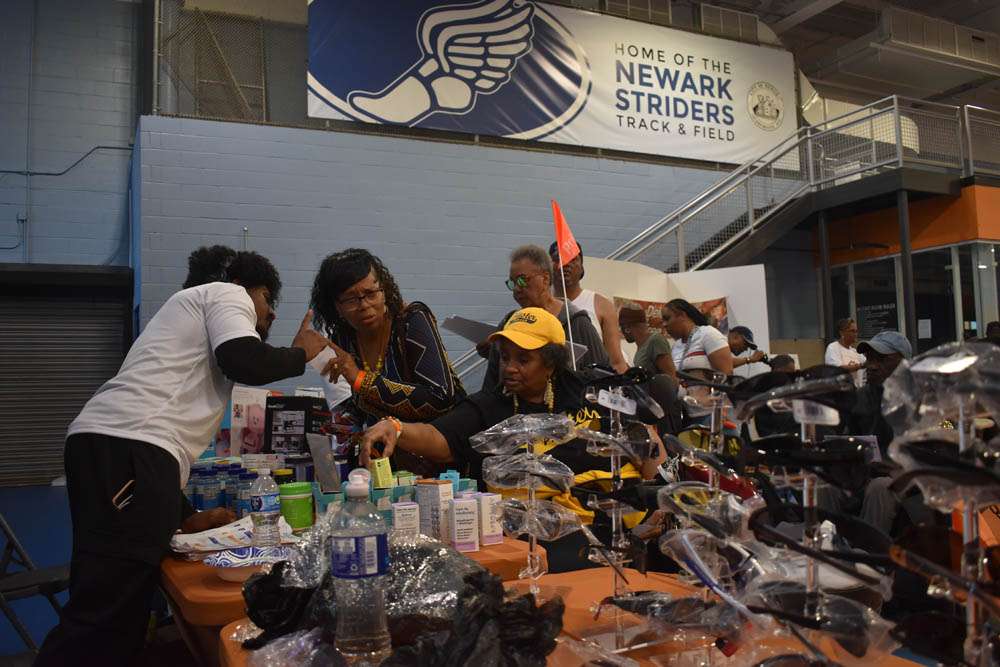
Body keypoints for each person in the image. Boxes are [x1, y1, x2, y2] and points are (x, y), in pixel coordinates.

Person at [36, 246, 330, 665]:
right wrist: (302, 353)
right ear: (243, 286)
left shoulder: (188, 320)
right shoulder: (226, 293)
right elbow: (245, 361)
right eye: (267, 298)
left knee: (120, 606)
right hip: (129, 447)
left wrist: (186, 515)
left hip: (125, 450)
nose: (271, 313)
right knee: (104, 613)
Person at [360, 307, 666, 571]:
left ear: (550, 363)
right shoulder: (489, 406)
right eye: (505, 357)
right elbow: (438, 438)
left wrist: (656, 502)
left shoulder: (590, 390)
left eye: (523, 359)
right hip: (544, 534)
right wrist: (395, 427)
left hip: (618, 520)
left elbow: (645, 439)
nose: (509, 368)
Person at [310, 249, 465, 476]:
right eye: (351, 299)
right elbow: (362, 407)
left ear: (384, 289)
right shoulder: (343, 337)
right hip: (390, 465)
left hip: (441, 462)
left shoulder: (411, 320)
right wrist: (339, 428)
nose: (364, 305)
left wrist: (360, 379)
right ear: (336, 306)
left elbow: (440, 396)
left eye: (371, 293)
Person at [819, 330, 913, 535]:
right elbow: (848, 438)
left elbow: (946, 427)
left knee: (880, 488)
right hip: (867, 473)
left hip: (907, 475)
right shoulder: (861, 397)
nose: (871, 365)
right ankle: (828, 546)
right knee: (827, 485)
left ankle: (869, 550)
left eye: (882, 359)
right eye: (869, 359)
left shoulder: (922, 397)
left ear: (904, 364)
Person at [481, 245, 608, 390]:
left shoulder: (576, 322)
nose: (516, 289)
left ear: (545, 278)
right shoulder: (509, 323)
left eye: (522, 280)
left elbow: (602, 377)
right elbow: (491, 386)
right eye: (512, 283)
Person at [549, 241, 628, 373]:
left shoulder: (602, 305)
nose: (565, 264)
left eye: (572, 259)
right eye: (558, 259)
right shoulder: (540, 307)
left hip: (591, 381)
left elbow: (616, 361)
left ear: (581, 267)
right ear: (549, 267)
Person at [662, 298, 733, 377]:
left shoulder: (707, 333)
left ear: (682, 315)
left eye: (667, 318)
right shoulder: (676, 346)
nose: (664, 324)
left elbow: (726, 374)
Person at [619, 304, 675, 378]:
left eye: (621, 328)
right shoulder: (641, 348)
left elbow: (671, 378)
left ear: (627, 328)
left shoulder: (655, 341)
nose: (621, 332)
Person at [825, 318, 866, 387]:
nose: (855, 334)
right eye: (852, 331)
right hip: (840, 390)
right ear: (842, 333)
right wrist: (859, 366)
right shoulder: (833, 347)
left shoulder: (855, 351)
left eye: (856, 331)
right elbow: (838, 370)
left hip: (856, 390)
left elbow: (867, 363)